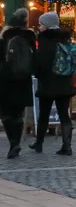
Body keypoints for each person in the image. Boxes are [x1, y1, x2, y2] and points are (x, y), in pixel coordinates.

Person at [32, 12, 76, 157]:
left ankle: (39, 143)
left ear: (47, 25)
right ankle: (67, 146)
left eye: (41, 24)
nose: (39, 27)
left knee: (44, 114)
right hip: (64, 82)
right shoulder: (65, 38)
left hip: (48, 83)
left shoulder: (46, 40)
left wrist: (37, 74)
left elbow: (42, 63)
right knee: (64, 115)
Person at [0, 9, 36, 159]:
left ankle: (13, 143)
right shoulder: (30, 36)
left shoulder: (5, 37)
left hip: (6, 80)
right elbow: (35, 57)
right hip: (24, 80)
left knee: (5, 113)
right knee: (18, 114)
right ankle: (17, 142)